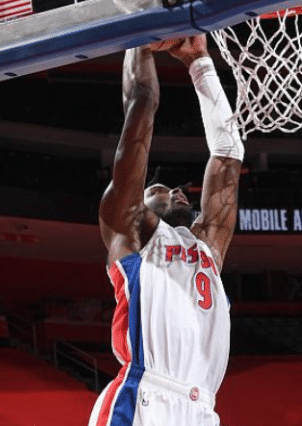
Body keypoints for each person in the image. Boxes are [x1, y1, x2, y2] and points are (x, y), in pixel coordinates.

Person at [88, 35, 243, 426]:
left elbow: (228, 157)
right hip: (145, 398)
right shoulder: (132, 236)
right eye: (157, 190)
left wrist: (200, 63)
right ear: (139, 205)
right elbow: (141, 105)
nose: (175, 191)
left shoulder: (208, 248)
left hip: (202, 408)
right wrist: (139, 39)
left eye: (174, 189)